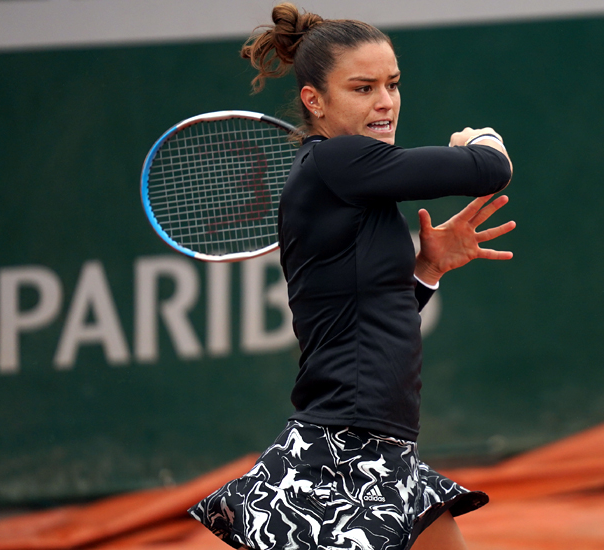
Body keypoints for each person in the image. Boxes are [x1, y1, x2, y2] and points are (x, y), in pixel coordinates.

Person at [188, 4, 515, 550]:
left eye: (392, 84)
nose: (385, 102)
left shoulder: (341, 179)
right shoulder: (339, 162)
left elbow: (371, 321)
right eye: (362, 88)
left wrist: (428, 270)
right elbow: (490, 168)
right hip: (344, 448)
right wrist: (477, 140)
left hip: (379, 444)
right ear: (315, 101)